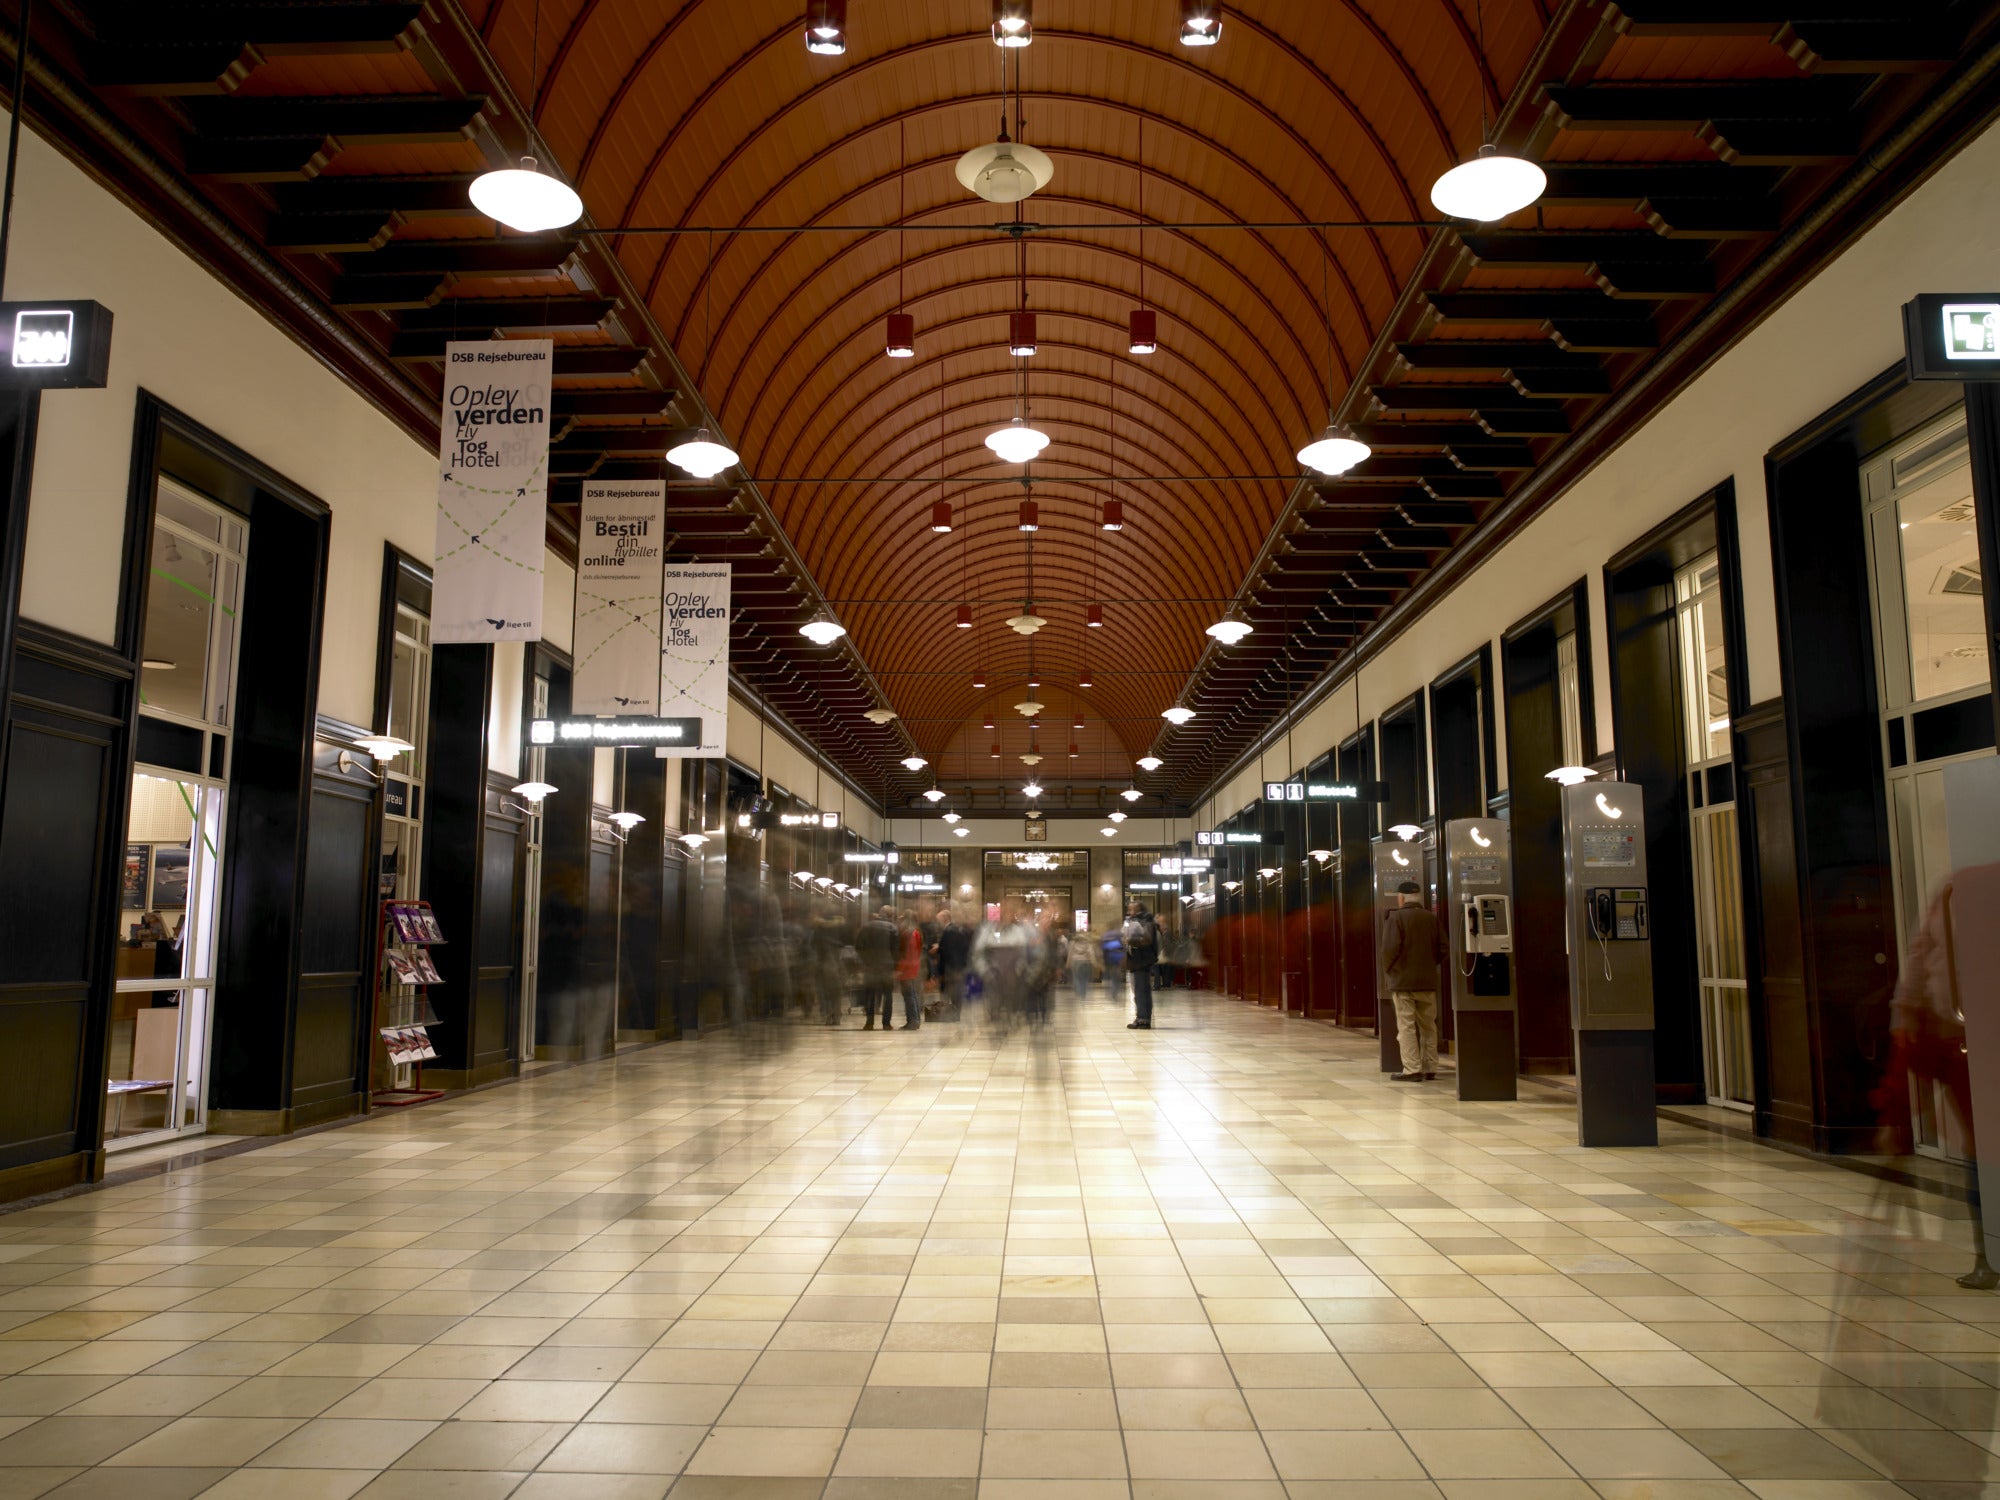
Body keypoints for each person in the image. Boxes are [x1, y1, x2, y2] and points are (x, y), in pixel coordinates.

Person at [1381, 880, 1440, 1081]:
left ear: (1401, 898)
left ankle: (1412, 1069)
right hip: (1427, 982)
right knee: (1429, 1026)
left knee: (1406, 1026)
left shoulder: (1396, 918)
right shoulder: (1431, 918)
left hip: (1403, 983)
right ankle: (1430, 1066)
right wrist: (1428, 966)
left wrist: (1390, 971)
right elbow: (1443, 949)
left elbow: (1389, 950)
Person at [856, 905, 898, 1031]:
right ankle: (886, 1023)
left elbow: (858, 946)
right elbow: (896, 950)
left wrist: (866, 960)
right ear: (891, 915)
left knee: (870, 993)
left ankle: (869, 1022)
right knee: (888, 995)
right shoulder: (892, 928)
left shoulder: (867, 926)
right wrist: (895, 965)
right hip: (887, 966)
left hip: (871, 966)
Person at [1122, 901, 1160, 1029]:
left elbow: (1147, 939)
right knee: (1138, 991)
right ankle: (1140, 1017)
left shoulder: (1146, 921)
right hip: (1136, 960)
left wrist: (1130, 940)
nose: (1129, 911)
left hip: (1142, 960)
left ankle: (1144, 1019)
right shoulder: (1135, 920)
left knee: (1142, 990)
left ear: (1138, 908)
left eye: (1131, 908)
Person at [934, 907, 973, 1017]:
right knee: (956, 991)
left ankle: (950, 1013)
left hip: (951, 966)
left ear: (945, 919)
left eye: (939, 920)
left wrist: (942, 970)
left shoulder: (948, 931)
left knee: (950, 990)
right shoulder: (958, 930)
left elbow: (946, 951)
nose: (938, 923)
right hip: (959, 965)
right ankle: (955, 1012)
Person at [893, 910, 924, 1030]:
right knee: (912, 995)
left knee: (909, 995)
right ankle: (915, 1020)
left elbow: (907, 954)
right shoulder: (916, 932)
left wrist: (899, 969)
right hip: (913, 966)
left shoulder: (908, 933)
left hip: (907, 968)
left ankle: (912, 1021)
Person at [1067, 927, 1097, 1001]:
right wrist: (1094, 962)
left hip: (1075, 961)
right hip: (1085, 962)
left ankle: (1078, 991)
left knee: (1076, 978)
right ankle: (1083, 994)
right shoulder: (1088, 942)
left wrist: (1068, 963)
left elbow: (1070, 953)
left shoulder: (1073, 942)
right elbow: (1091, 952)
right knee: (1084, 979)